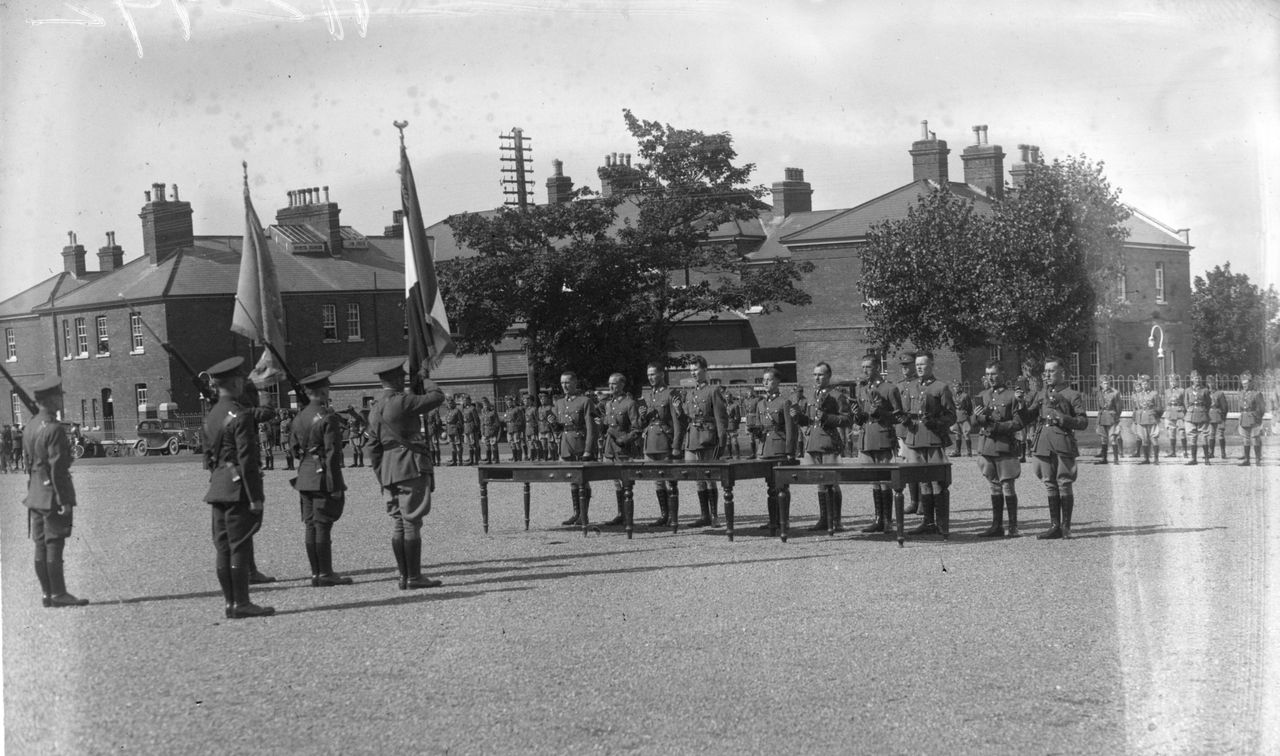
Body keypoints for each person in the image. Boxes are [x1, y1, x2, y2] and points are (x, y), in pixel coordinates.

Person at [200, 357, 274, 618]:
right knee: (239, 546)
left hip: (217, 486)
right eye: (241, 379)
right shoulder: (240, 416)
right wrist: (256, 497)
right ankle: (241, 603)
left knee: (223, 548)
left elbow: (208, 456)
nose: (244, 382)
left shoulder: (212, 414)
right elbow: (247, 461)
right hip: (237, 489)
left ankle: (230, 603)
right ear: (233, 382)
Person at [367, 358, 446, 589]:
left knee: (399, 523)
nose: (404, 379)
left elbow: (372, 447)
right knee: (412, 522)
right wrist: (425, 378)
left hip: (389, 470)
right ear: (394, 379)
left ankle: (403, 576)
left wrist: (382, 473)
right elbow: (437, 397)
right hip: (410, 465)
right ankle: (414, 577)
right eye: (401, 377)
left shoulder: (375, 407)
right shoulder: (401, 402)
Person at [21, 378, 89, 608]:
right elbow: (58, 468)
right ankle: (59, 593)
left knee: (40, 544)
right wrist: (64, 500)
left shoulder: (30, 426)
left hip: (35, 495)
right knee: (54, 544)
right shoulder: (53, 428)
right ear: (49, 400)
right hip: (51, 496)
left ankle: (47, 594)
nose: (61, 399)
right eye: (58, 396)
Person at [289, 371, 354, 588]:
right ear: (324, 391)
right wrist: (334, 484)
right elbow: (333, 453)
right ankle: (326, 573)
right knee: (323, 524)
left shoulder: (299, 417)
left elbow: (294, 449)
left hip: (304, 476)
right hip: (322, 476)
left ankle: (316, 573)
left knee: (310, 524)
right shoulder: (327, 417)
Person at [1021, 356, 1088, 540]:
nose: (1047, 374)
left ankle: (1066, 527)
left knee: (1064, 482)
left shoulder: (1072, 394)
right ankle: (1054, 526)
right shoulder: (1041, 394)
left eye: (1051, 371)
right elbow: (1028, 416)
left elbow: (1083, 422)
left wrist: (1064, 419)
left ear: (1062, 372)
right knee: (1049, 483)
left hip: (1062, 443)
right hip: (1043, 442)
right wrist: (1019, 405)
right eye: (1046, 371)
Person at [792, 361, 854, 531]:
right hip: (813, 443)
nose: (817, 377)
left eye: (820, 374)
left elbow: (847, 419)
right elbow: (810, 420)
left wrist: (827, 417)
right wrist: (798, 417)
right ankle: (824, 518)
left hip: (828, 442)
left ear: (828, 376)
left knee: (832, 482)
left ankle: (836, 521)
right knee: (819, 482)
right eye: (815, 374)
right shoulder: (812, 395)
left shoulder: (836, 395)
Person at [902, 353, 957, 538]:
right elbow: (905, 411)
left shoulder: (941, 387)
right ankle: (927, 521)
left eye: (922, 364)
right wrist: (905, 420)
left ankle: (941, 524)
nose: (918, 368)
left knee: (937, 481)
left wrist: (936, 422)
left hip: (933, 437)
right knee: (922, 481)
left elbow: (951, 415)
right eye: (917, 364)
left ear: (932, 365)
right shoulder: (911, 387)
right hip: (915, 437)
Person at [851, 356, 904, 534]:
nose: (865, 370)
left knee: (885, 480)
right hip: (867, 437)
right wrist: (857, 415)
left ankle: (888, 521)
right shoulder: (862, 389)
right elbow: (862, 416)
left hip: (882, 437)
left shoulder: (889, 388)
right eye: (863, 367)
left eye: (869, 367)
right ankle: (878, 519)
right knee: (874, 481)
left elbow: (898, 416)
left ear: (877, 367)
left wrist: (880, 412)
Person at [674, 356, 729, 528]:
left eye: (696, 369)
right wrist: (678, 411)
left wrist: (722, 442)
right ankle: (704, 515)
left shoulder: (713, 391)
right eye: (691, 370)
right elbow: (686, 420)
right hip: (693, 438)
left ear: (705, 370)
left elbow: (721, 418)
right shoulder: (690, 393)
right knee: (698, 477)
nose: (693, 373)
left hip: (708, 439)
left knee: (709, 476)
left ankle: (715, 517)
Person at [971, 360, 1025, 536]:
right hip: (987, 447)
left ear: (1002, 374)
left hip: (1005, 446)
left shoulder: (1011, 396)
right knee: (993, 486)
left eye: (993, 374)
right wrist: (979, 418)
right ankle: (996, 526)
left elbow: (1018, 423)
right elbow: (973, 423)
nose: (990, 377)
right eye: (988, 374)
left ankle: (1013, 526)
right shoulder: (984, 395)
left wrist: (998, 427)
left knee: (1007, 485)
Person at [551, 371, 598, 526]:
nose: (564, 386)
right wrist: (553, 424)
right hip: (566, 444)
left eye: (567, 382)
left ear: (575, 383)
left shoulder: (584, 401)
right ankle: (576, 513)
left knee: (583, 481)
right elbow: (559, 429)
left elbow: (591, 428)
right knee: (571, 480)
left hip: (580, 444)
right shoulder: (558, 403)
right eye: (562, 382)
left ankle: (584, 515)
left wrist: (588, 450)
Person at [641, 362, 680, 526]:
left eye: (653, 374)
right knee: (657, 479)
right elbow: (645, 420)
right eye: (649, 375)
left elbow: (676, 422)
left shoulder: (670, 393)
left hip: (665, 440)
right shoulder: (648, 395)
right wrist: (643, 415)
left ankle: (673, 517)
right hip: (651, 441)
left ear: (662, 374)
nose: (651, 377)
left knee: (670, 479)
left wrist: (676, 445)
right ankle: (664, 515)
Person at [757, 367, 797, 532]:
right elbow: (761, 427)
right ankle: (772, 520)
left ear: (778, 382)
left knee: (782, 486)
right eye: (764, 380)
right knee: (770, 487)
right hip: (766, 448)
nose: (766, 382)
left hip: (779, 448)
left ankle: (784, 520)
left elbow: (790, 429)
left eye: (769, 379)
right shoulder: (761, 403)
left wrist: (789, 451)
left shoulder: (784, 402)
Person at [601, 373, 641, 527]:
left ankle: (628, 516)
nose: (611, 387)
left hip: (623, 448)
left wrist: (624, 441)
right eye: (610, 384)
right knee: (616, 482)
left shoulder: (629, 403)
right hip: (610, 448)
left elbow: (636, 429)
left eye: (615, 384)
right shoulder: (609, 404)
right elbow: (608, 424)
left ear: (622, 385)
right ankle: (620, 514)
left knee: (626, 483)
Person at [894, 352, 922, 513]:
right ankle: (913, 501)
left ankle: (923, 502)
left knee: (918, 465)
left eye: (908, 365)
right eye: (903, 365)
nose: (904, 368)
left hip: (916, 428)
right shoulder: (899, 385)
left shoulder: (919, 384)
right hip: (903, 430)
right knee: (908, 466)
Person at [1130, 374, 1163, 464]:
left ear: (1149, 383)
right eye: (1142, 383)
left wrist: (1155, 417)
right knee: (1144, 439)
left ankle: (1156, 459)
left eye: (1146, 383)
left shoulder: (1154, 394)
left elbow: (1159, 408)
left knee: (1153, 438)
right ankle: (1146, 459)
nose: (1144, 385)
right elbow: (1137, 408)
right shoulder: (1138, 394)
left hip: (1152, 418)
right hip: (1141, 419)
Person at [1014, 359, 1042, 462]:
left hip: (1030, 416)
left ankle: (1030, 451)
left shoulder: (1033, 391)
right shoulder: (1019, 392)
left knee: (1031, 435)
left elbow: (1035, 403)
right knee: (1022, 435)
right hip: (1022, 415)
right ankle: (1023, 455)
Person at [1183, 371, 1213, 465]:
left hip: (1202, 414)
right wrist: (1189, 409)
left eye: (1199, 378)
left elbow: (1208, 403)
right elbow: (1186, 403)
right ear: (1191, 379)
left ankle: (1206, 459)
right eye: (1195, 378)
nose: (1197, 380)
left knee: (1204, 436)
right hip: (1190, 415)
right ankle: (1193, 459)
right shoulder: (1187, 390)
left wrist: (1203, 410)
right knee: (1192, 436)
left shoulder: (1205, 390)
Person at [1237, 372, 1266, 466]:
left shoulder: (1257, 394)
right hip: (1244, 418)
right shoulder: (1241, 393)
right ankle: (1247, 460)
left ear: (1250, 383)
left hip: (1254, 419)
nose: (1244, 385)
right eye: (1243, 383)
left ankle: (1257, 460)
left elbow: (1261, 408)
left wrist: (1257, 419)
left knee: (1255, 438)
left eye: (1246, 383)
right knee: (1245, 439)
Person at [1094, 376, 1122, 464]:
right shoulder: (1099, 393)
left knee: (1113, 438)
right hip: (1102, 417)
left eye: (1107, 383)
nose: (1106, 385)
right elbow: (1099, 406)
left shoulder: (1115, 393)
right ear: (1101, 384)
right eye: (1104, 383)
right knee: (1103, 439)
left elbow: (1119, 407)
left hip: (1111, 417)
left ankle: (1116, 459)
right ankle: (1104, 459)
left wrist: (1116, 416)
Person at [1163, 373, 1188, 458]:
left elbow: (1185, 403)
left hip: (1179, 412)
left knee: (1182, 432)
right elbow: (1166, 403)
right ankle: (1173, 452)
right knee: (1171, 432)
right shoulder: (1167, 391)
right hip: (1170, 412)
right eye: (1170, 381)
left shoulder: (1182, 390)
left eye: (1174, 381)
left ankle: (1185, 451)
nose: (1172, 383)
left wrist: (1184, 413)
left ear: (1178, 381)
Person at [1207, 374, 1229, 461]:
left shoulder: (1220, 393)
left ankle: (1223, 453)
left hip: (1219, 415)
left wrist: (1223, 416)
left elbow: (1224, 407)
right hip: (1210, 415)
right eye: (1209, 383)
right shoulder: (1206, 393)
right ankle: (1211, 452)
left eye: (1212, 382)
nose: (1211, 384)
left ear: (1215, 383)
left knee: (1220, 434)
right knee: (1211, 434)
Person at [950, 381, 972, 458]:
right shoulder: (953, 396)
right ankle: (957, 451)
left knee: (966, 433)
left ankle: (969, 451)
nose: (955, 388)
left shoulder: (965, 396)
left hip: (963, 415)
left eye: (957, 387)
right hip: (956, 416)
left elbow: (969, 406)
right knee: (957, 434)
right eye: (954, 387)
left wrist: (967, 414)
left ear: (960, 387)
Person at [503, 395, 525, 462]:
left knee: (517, 443)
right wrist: (505, 426)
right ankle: (515, 458)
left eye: (510, 402)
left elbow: (520, 420)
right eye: (507, 402)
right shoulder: (507, 410)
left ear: (512, 402)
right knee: (511, 443)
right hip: (509, 429)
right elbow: (505, 419)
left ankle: (519, 459)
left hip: (516, 429)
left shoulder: (517, 409)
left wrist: (518, 427)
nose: (508, 403)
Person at [444, 395, 464, 466]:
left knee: (458, 446)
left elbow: (461, 422)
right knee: (452, 446)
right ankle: (454, 461)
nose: (449, 404)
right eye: (448, 403)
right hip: (449, 431)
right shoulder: (448, 411)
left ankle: (460, 461)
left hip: (456, 431)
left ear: (453, 403)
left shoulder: (457, 411)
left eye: (450, 403)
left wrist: (461, 431)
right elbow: (446, 421)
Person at [461, 395, 481, 465]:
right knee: (469, 445)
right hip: (466, 428)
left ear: (469, 400)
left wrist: (476, 429)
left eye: (466, 400)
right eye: (463, 400)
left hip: (472, 427)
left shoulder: (472, 409)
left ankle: (476, 460)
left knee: (474, 444)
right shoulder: (464, 409)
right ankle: (471, 460)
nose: (464, 401)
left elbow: (476, 419)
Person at [523, 393, 542, 462]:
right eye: (525, 400)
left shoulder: (534, 409)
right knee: (530, 444)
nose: (526, 401)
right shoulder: (526, 409)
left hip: (533, 428)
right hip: (528, 429)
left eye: (528, 400)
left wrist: (536, 430)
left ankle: (538, 457)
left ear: (531, 401)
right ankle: (532, 457)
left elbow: (537, 420)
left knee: (536, 443)